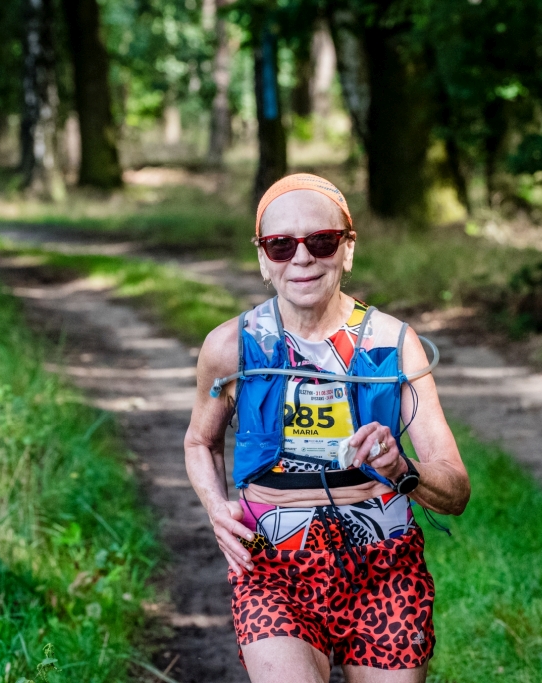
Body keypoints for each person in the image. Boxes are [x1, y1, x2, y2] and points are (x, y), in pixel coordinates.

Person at [184, 173, 470, 683]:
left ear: (347, 249)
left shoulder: (393, 345)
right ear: (262, 259)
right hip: (272, 569)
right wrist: (215, 507)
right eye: (280, 244)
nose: (301, 258)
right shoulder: (230, 347)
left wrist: (401, 468)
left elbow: (455, 490)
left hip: (384, 569)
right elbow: (200, 442)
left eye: (321, 241)